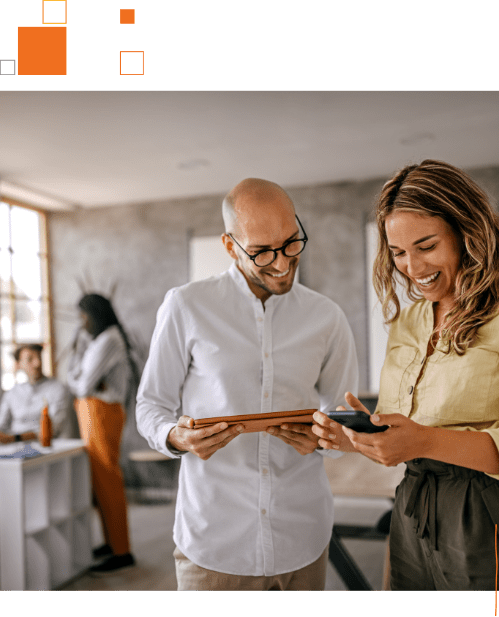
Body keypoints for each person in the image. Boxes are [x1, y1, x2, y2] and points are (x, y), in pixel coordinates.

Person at [312, 159, 499, 591]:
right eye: (398, 252)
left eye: (426, 246)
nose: (412, 267)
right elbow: (405, 428)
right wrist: (356, 437)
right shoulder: (408, 323)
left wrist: (424, 440)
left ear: (467, 233)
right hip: (417, 510)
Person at [136, 178, 359, 591]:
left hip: (303, 536)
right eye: (261, 252)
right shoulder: (185, 306)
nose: (281, 262)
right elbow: (151, 406)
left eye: (292, 242)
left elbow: (343, 416)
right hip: (215, 542)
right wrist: (176, 437)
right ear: (229, 245)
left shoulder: (327, 318)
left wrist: (332, 436)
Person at [67, 293, 138, 574]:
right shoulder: (100, 340)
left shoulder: (108, 339)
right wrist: (83, 380)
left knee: (107, 479)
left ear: (94, 314)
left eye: (83, 316)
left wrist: (78, 379)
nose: (81, 323)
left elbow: (81, 384)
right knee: (99, 480)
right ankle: (111, 543)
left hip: (101, 413)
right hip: (94, 412)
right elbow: (83, 380)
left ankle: (122, 551)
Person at [0, 344, 73, 444]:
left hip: (48, 446)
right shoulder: (12, 393)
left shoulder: (58, 389)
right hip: (13, 447)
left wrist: (15, 438)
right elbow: (2, 425)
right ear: (18, 364)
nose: (37, 363)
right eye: (30, 359)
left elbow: (54, 428)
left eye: (39, 358)